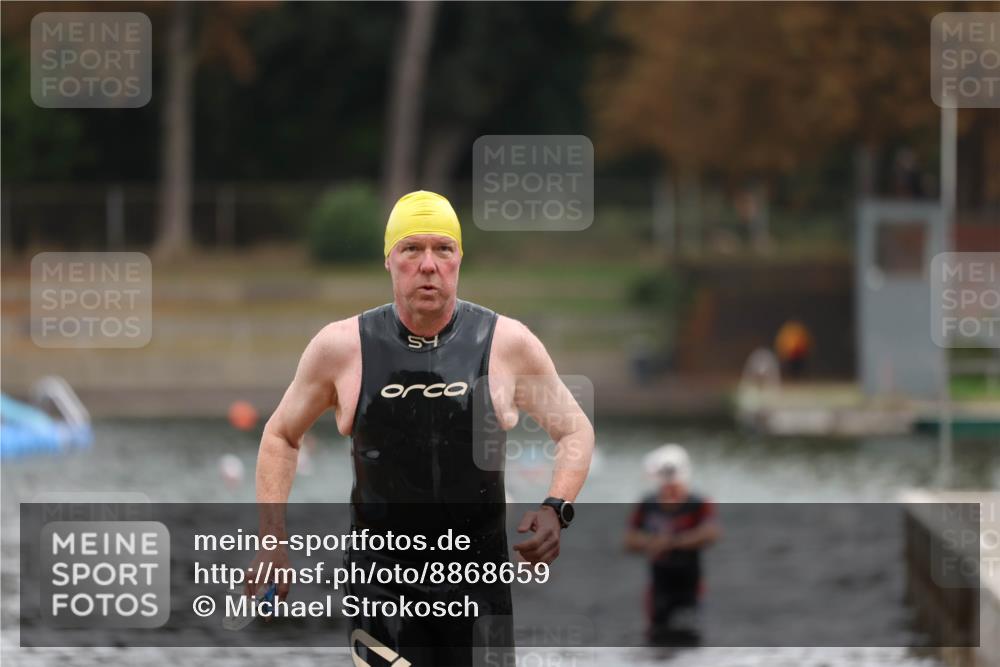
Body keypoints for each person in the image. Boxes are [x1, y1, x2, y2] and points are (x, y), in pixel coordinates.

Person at [249, 191, 594, 666]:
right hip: (381, 585)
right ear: (389, 259)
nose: (428, 265)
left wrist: (556, 508)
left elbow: (574, 431)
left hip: (478, 585)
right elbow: (280, 436)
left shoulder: (506, 343)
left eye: (442, 249)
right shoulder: (342, 348)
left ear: (459, 259)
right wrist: (272, 541)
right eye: (412, 249)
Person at [625, 444, 719, 645]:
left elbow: (710, 533)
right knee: (657, 636)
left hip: (689, 583)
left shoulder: (697, 503)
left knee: (690, 636)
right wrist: (651, 542)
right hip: (659, 584)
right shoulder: (648, 504)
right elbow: (629, 540)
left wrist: (673, 542)